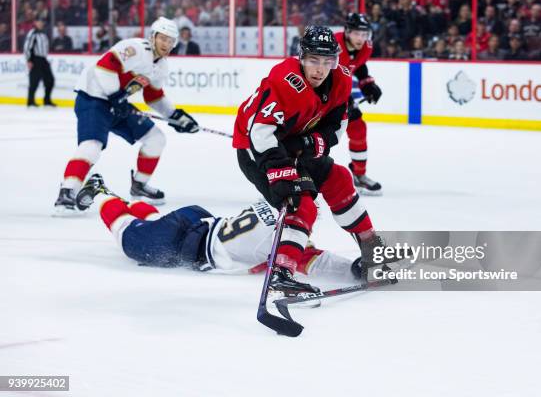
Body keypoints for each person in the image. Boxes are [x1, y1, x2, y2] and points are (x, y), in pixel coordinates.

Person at [232, 25, 385, 296]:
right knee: (300, 203)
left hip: (296, 144)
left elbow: (337, 127)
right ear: (301, 58)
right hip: (257, 150)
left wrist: (307, 143)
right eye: (314, 60)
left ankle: (372, 250)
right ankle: (282, 272)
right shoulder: (283, 80)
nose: (320, 69)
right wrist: (280, 173)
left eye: (327, 61)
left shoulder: (341, 81)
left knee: (338, 178)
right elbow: (261, 133)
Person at [74, 174, 360, 295]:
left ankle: (126, 201)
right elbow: (314, 261)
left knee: (152, 224)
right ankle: (101, 192)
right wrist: (354, 271)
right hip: (188, 242)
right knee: (129, 238)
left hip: (197, 221)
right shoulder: (285, 238)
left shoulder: (276, 203)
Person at [54, 17, 200, 213]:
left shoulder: (161, 66)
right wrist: (115, 96)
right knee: (92, 146)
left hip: (118, 104)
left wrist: (176, 116)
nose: (166, 44)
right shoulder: (137, 48)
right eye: (163, 38)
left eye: (171, 41)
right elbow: (105, 66)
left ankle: (139, 185)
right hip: (93, 98)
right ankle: (67, 192)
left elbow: (153, 96)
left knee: (155, 139)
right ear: (153, 37)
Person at [335, 13, 383, 195]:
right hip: (317, 97)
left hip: (340, 96)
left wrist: (367, 84)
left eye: (365, 34)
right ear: (347, 32)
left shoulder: (366, 47)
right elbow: (321, 76)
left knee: (358, 128)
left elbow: (359, 66)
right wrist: (341, 99)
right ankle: (291, 178)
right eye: (357, 33)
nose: (361, 39)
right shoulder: (334, 45)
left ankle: (359, 175)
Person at [23, 17, 55, 107]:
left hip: (43, 59)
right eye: (39, 22)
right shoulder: (33, 33)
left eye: (42, 22)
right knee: (34, 81)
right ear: (35, 23)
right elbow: (27, 47)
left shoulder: (43, 34)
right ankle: (30, 101)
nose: (41, 23)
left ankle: (47, 100)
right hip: (35, 59)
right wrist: (29, 60)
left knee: (50, 80)